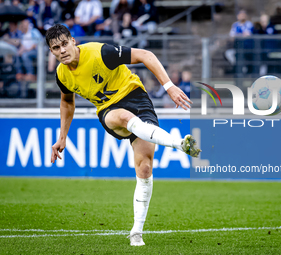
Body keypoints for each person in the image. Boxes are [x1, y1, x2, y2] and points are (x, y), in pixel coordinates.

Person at [46, 24, 201, 246]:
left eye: (63, 44)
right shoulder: (62, 75)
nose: (61, 51)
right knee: (124, 119)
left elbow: (145, 55)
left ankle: (136, 232)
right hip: (110, 111)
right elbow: (67, 102)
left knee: (145, 168)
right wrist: (62, 136)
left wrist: (169, 87)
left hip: (136, 97)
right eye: (55, 48)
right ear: (51, 52)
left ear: (73, 41)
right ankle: (179, 144)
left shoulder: (101, 53)